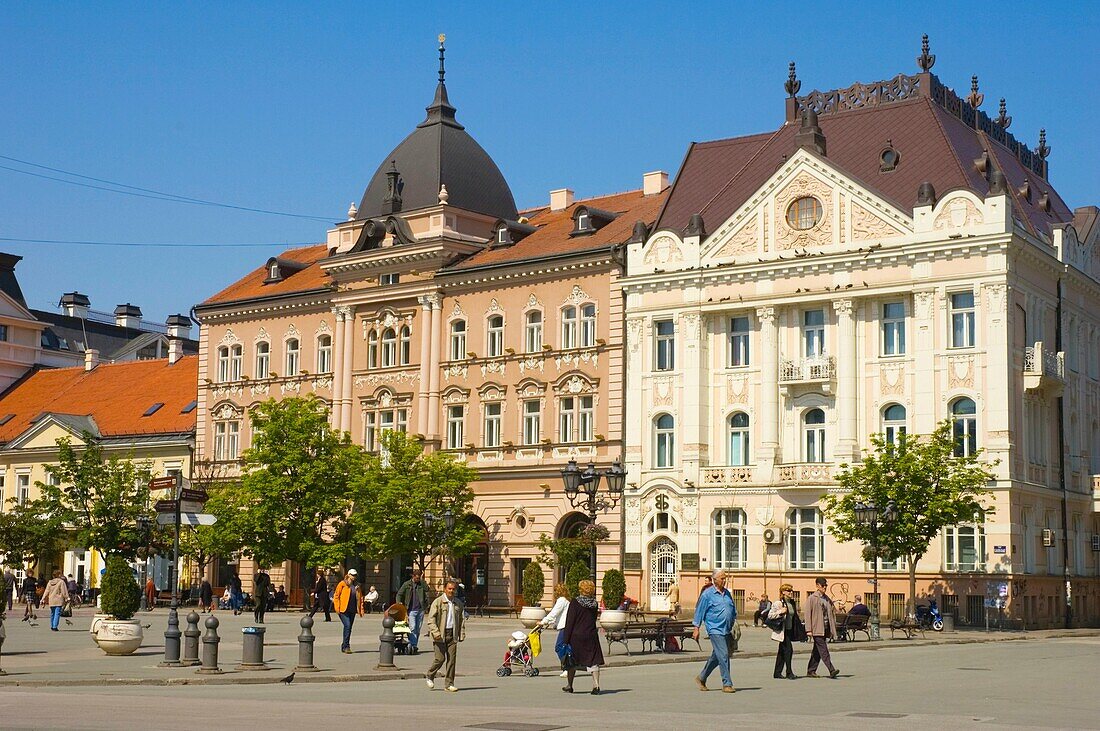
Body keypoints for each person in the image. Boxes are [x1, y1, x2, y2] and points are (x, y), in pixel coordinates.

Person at [692, 569, 737, 693]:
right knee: (723, 655)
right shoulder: (707, 594)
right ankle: (727, 683)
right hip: (715, 628)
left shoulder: (727, 593)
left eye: (725, 578)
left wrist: (734, 622)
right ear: (714, 580)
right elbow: (699, 611)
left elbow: (732, 610)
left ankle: (701, 677)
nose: (724, 581)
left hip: (726, 629)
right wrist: (696, 628)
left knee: (717, 656)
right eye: (722, 578)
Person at [562, 579, 605, 694]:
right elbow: (594, 619)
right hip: (591, 635)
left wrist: (565, 640)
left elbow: (570, 621)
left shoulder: (575, 602)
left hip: (576, 636)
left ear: (581, 589)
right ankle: (596, 685)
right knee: (593, 661)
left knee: (572, 660)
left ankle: (569, 685)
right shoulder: (594, 603)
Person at [424, 579, 466, 692]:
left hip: (452, 634)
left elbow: (461, 620)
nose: (451, 591)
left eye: (453, 589)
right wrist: (436, 632)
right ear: (445, 589)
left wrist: (461, 633)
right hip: (440, 634)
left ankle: (449, 684)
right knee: (440, 659)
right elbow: (431, 619)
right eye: (449, 589)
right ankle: (430, 675)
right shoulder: (438, 602)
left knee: (452, 660)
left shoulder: (458, 603)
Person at [805, 577, 840, 679]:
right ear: (817, 586)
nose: (825, 587)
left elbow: (832, 611)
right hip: (816, 628)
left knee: (817, 651)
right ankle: (831, 669)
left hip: (825, 628)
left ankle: (811, 670)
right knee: (823, 649)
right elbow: (807, 615)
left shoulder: (826, 598)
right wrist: (808, 629)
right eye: (822, 585)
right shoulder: (812, 598)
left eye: (826, 585)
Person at [767, 583, 801, 680]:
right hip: (782, 630)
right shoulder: (778, 603)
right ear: (783, 592)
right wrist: (780, 612)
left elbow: (794, 617)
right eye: (788, 590)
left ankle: (777, 672)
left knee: (782, 652)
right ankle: (789, 672)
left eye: (791, 590)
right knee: (789, 650)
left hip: (790, 629)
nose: (791, 592)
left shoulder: (791, 603)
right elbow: (770, 615)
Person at [540, 582, 572, 678]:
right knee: (566, 648)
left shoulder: (561, 600)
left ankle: (568, 667)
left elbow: (554, 613)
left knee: (559, 647)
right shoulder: (567, 600)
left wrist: (544, 621)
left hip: (564, 627)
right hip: (567, 626)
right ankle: (569, 667)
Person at [396, 569, 430, 655]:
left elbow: (427, 589)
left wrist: (422, 581)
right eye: (416, 578)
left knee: (418, 629)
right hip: (411, 610)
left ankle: (413, 645)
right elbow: (399, 594)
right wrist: (399, 602)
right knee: (413, 627)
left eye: (419, 578)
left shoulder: (421, 584)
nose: (417, 580)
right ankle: (412, 645)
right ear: (413, 576)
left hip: (420, 609)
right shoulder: (407, 584)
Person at [332, 569, 364, 653]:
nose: (354, 577)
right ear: (348, 575)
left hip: (352, 609)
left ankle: (344, 645)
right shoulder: (342, 584)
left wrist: (361, 609)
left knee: (349, 628)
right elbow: (336, 596)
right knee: (347, 625)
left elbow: (360, 598)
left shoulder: (357, 585)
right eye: (352, 575)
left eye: (355, 575)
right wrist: (337, 608)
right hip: (343, 609)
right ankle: (346, 646)